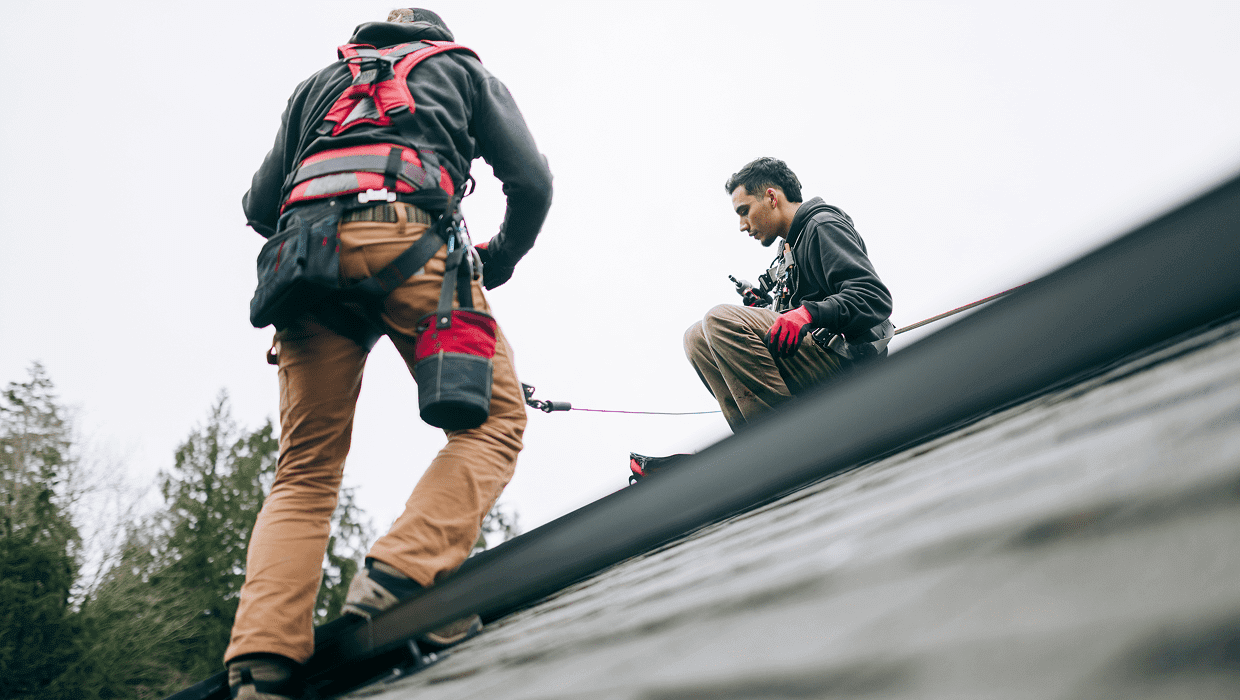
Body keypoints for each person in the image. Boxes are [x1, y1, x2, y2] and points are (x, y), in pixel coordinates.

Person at [224, 8, 552, 698]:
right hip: (409, 242)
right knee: (493, 422)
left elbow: (259, 204)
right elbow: (531, 181)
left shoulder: (317, 84)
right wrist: (502, 257)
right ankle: (402, 578)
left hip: (303, 264)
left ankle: (261, 659)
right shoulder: (461, 68)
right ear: (432, 36)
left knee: (304, 472)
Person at [688, 158, 893, 431]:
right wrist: (765, 309)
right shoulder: (788, 248)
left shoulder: (822, 225)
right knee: (695, 338)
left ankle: (785, 438)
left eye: (744, 210)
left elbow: (872, 297)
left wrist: (806, 313)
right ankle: (753, 440)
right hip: (812, 355)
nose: (742, 225)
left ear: (771, 197)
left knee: (719, 319)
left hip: (848, 363)